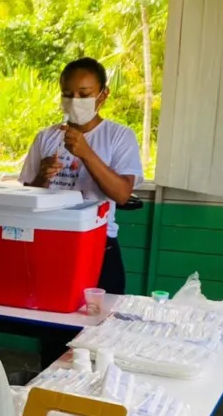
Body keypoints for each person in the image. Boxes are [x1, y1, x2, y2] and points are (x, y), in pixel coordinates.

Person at [20, 57, 143, 295]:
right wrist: (42, 178)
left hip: (97, 244)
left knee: (97, 321)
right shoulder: (46, 137)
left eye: (84, 94)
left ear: (103, 95)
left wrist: (87, 154)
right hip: (49, 239)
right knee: (50, 320)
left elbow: (121, 194)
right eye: (68, 94)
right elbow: (28, 195)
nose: (75, 101)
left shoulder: (119, 136)